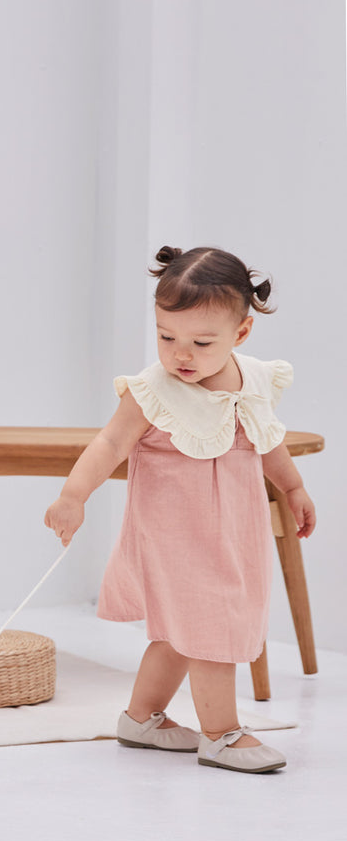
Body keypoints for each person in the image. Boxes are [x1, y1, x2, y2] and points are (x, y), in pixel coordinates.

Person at [44, 246, 316, 774]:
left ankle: (141, 719)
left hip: (233, 531)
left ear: (240, 334)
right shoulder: (153, 391)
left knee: (178, 630)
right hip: (175, 533)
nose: (180, 355)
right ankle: (220, 733)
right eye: (166, 337)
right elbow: (108, 445)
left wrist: (294, 487)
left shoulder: (253, 378)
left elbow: (269, 440)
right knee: (211, 624)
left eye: (200, 342)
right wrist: (73, 496)